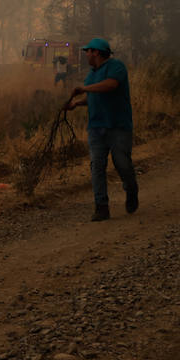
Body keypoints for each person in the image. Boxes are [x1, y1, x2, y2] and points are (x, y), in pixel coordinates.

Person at [64, 38, 138, 222]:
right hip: (96, 127)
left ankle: (131, 189)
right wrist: (77, 103)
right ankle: (101, 207)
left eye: (87, 51)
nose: (86, 55)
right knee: (97, 166)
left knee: (122, 163)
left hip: (118, 125)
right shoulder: (91, 74)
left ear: (96, 52)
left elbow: (110, 85)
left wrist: (84, 88)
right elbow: (93, 97)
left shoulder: (116, 67)